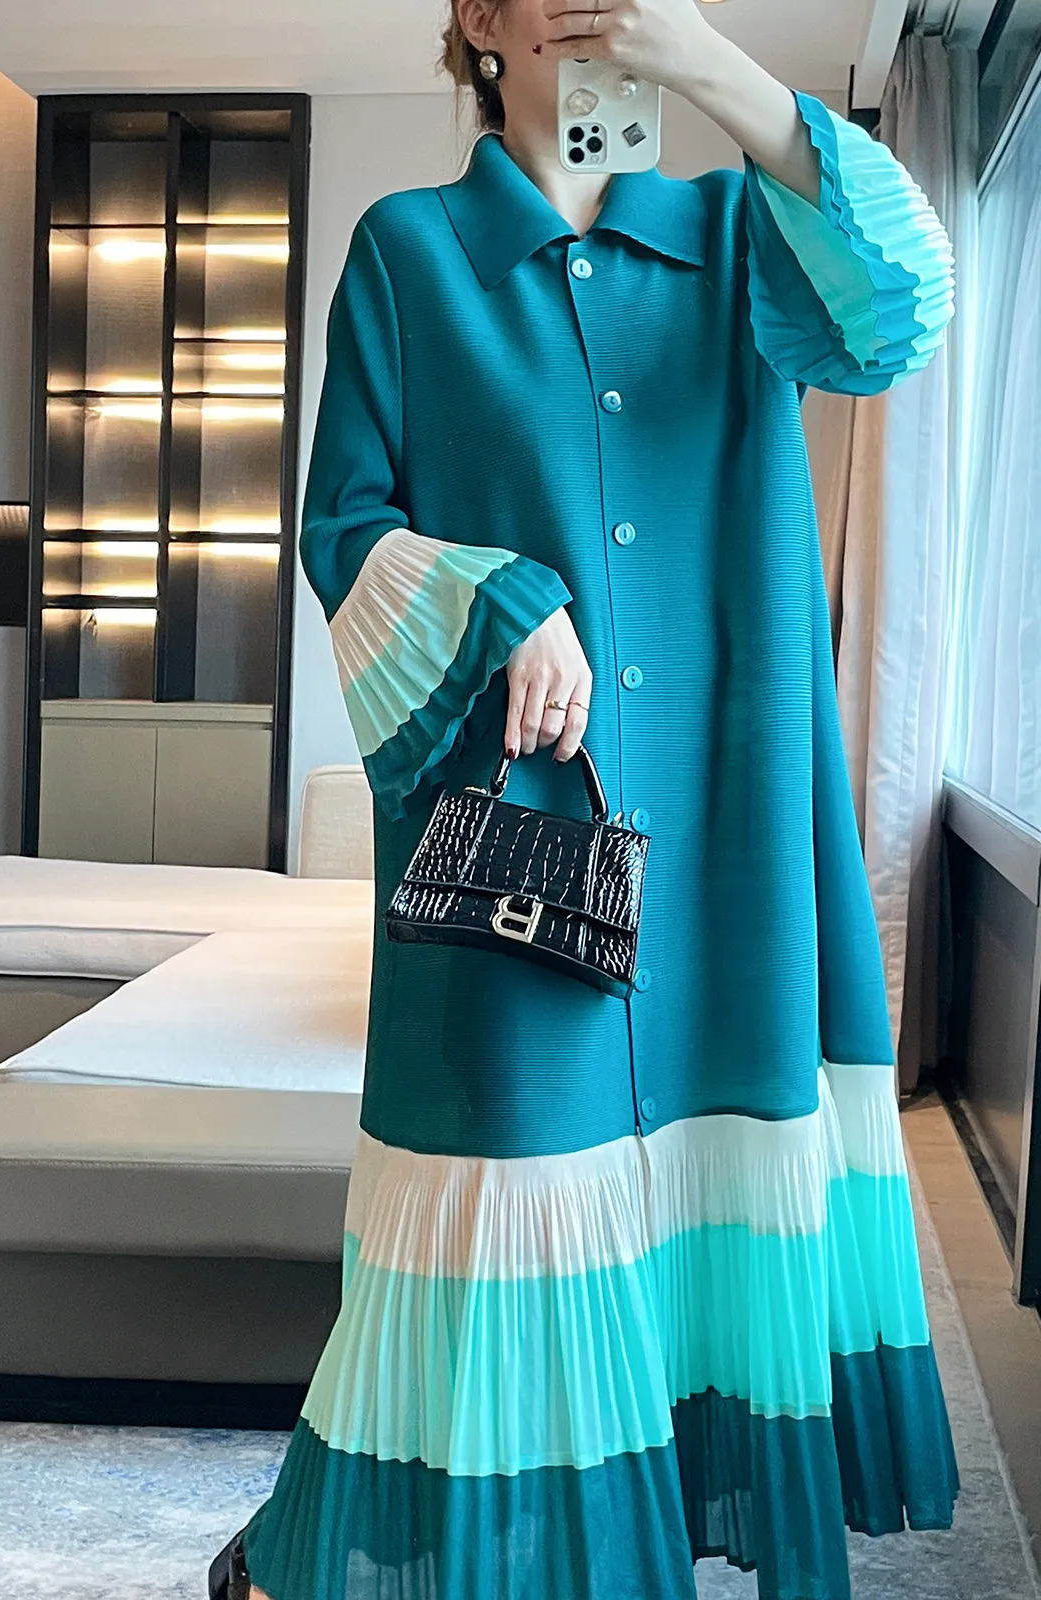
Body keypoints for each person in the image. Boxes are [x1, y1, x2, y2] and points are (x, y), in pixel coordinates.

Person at [210, 1, 959, 1595]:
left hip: (732, 825)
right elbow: (345, 528)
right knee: (499, 1192)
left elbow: (906, 305)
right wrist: (503, 600)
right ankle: (329, 1557)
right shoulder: (412, 253)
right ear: (481, 19)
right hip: (518, 837)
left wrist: (708, 66)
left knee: (708, 1189)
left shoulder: (746, 235)